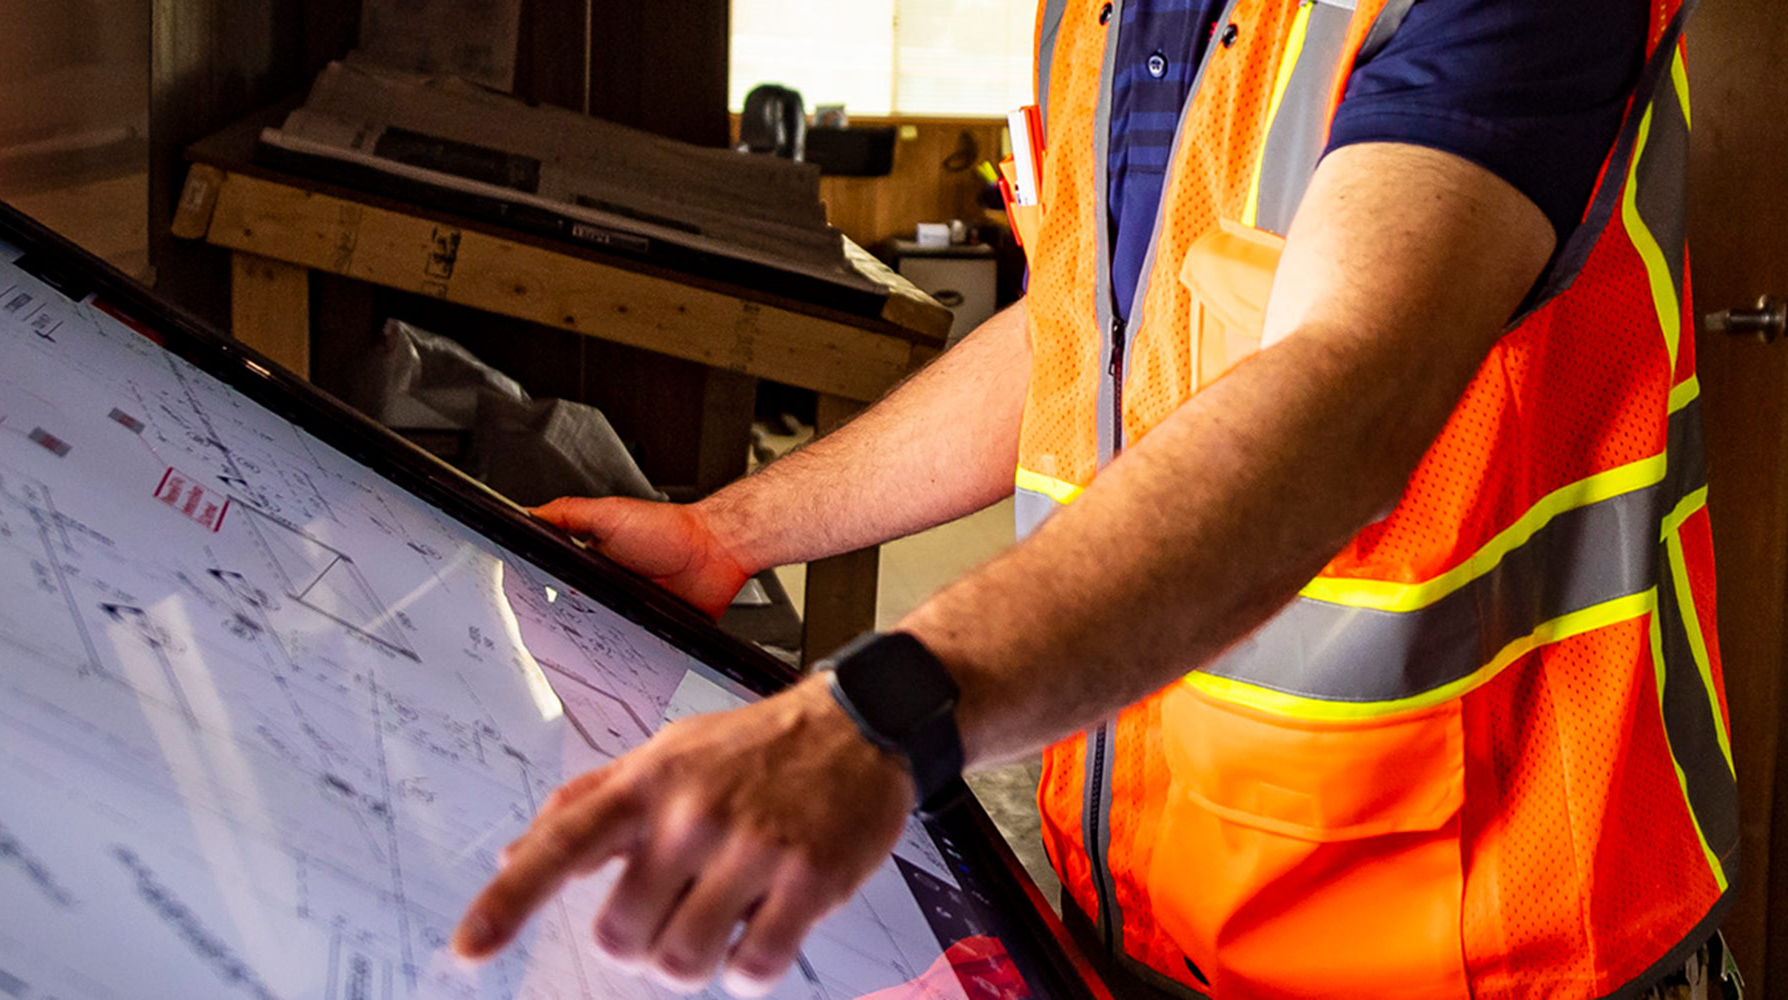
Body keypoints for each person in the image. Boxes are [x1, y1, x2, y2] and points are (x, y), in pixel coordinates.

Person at [446, 0, 1738, 997]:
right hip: (1135, 925)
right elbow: (1073, 336)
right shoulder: (1104, 16)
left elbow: (1346, 399)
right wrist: (729, 532)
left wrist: (889, 714)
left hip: (1469, 951)